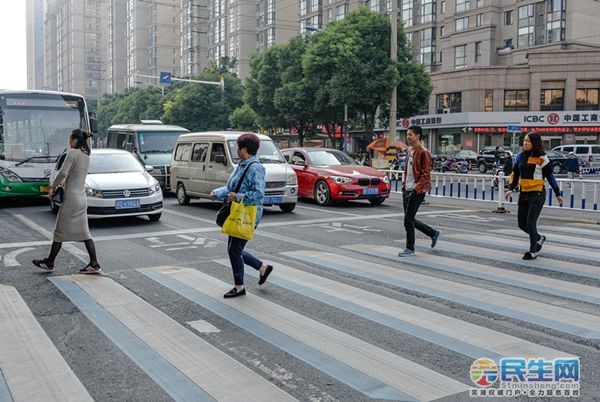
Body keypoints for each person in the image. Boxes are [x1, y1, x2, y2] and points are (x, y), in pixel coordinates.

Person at [209, 133, 273, 298]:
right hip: (238, 212)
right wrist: (217, 193)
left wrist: (238, 197)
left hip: (248, 215)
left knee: (234, 251)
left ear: (244, 149)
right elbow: (233, 188)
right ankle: (262, 268)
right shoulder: (242, 165)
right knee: (234, 250)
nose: (236, 150)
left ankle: (239, 286)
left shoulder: (255, 168)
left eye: (238, 147)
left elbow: (258, 194)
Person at [32, 129, 101, 273]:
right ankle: (94, 263)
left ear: (75, 140)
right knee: (84, 232)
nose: (69, 141)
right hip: (81, 198)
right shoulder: (86, 155)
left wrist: (52, 186)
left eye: (70, 139)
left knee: (59, 231)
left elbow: (63, 172)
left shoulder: (73, 153)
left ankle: (50, 262)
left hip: (71, 198)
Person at [505, 133, 563, 260]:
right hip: (524, 193)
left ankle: (533, 251)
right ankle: (539, 238)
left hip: (537, 193)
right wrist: (510, 188)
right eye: (524, 140)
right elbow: (515, 174)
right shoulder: (520, 157)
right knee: (521, 223)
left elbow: (550, 176)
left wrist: (557, 193)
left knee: (531, 222)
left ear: (535, 143)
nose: (525, 143)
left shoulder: (542, 157)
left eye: (528, 141)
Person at [398, 126, 440, 257]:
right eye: (407, 134)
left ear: (418, 136)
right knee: (409, 219)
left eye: (410, 134)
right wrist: (404, 185)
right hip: (407, 188)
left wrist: (416, 189)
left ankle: (410, 248)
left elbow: (425, 174)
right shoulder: (409, 151)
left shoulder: (424, 152)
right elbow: (408, 170)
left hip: (418, 190)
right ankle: (432, 233)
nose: (408, 137)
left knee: (408, 220)